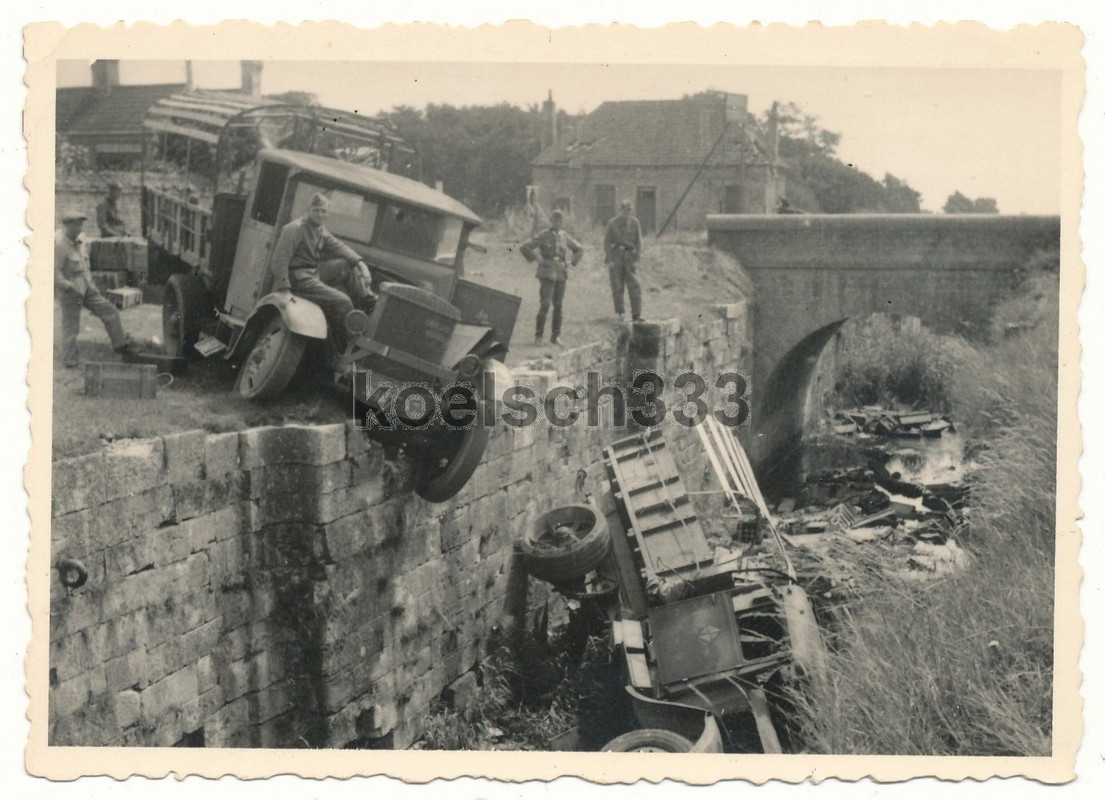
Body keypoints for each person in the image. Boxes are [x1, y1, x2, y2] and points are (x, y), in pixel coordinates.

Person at [269, 193, 376, 353]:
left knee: (345, 265)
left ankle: (368, 303)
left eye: (324, 211)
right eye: (316, 210)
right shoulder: (296, 228)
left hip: (312, 273)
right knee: (343, 301)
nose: (320, 214)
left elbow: (340, 247)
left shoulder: (319, 229)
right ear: (309, 210)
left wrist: (362, 265)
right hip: (297, 279)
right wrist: (284, 290)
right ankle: (351, 344)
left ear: (328, 214)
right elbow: (279, 261)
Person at [55, 210, 135, 367]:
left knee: (110, 311)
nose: (79, 227)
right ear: (67, 226)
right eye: (76, 224)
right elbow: (54, 272)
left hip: (87, 288)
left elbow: (85, 268)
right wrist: (68, 286)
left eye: (81, 224)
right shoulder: (60, 246)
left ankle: (120, 345)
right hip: (70, 291)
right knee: (71, 327)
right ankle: (70, 361)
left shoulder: (80, 243)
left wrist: (92, 287)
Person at [520, 209, 583, 346]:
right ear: (551, 221)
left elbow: (579, 248)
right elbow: (525, 247)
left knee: (559, 306)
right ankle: (539, 336)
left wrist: (572, 261)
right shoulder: (544, 235)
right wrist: (537, 258)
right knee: (545, 304)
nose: (558, 223)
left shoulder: (565, 236)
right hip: (547, 271)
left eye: (560, 220)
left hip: (561, 273)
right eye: (555, 220)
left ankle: (555, 336)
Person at [604, 200, 644, 322]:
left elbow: (639, 242)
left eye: (630, 210)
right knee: (617, 286)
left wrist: (637, 259)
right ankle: (620, 313)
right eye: (626, 210)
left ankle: (636, 315)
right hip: (617, 257)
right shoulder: (612, 223)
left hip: (630, 257)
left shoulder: (635, 223)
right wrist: (609, 259)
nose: (628, 213)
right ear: (620, 210)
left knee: (635, 286)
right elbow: (607, 242)